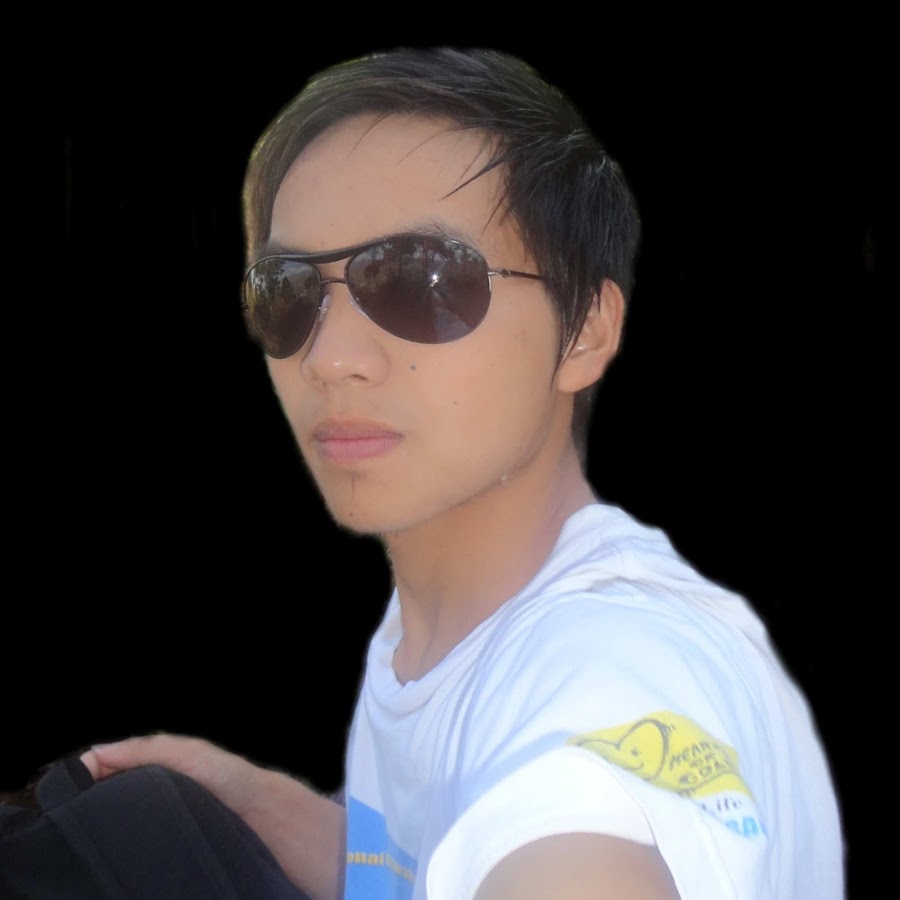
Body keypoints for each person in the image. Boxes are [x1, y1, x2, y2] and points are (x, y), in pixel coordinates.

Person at [76, 46, 844, 899]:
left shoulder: (609, 675)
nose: (329, 356)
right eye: (287, 291)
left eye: (419, 280)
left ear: (585, 330)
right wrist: (260, 806)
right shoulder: (447, 627)